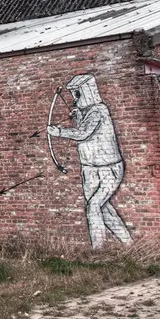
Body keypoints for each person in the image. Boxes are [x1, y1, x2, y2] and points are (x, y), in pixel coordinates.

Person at [47, 74, 133, 249]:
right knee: (102, 207)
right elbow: (83, 128)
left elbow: (84, 133)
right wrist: (78, 115)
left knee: (93, 206)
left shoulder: (99, 111)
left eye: (77, 94)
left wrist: (59, 132)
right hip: (90, 169)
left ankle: (98, 250)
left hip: (108, 169)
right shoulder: (86, 112)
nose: (74, 98)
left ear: (86, 92)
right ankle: (128, 242)